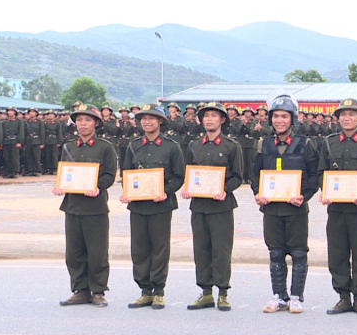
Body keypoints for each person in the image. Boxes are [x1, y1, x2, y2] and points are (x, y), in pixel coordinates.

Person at [251, 95, 320, 314]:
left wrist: (303, 196)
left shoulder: (305, 144)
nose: (280, 120)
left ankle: (296, 297)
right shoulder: (264, 144)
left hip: (296, 208)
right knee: (275, 253)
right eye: (276, 116)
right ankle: (279, 296)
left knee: (298, 253)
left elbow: (314, 175)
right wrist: (258, 193)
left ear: (292, 119)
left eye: (284, 116)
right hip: (271, 209)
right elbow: (255, 175)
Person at [317, 98, 357, 315]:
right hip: (336, 209)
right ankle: (343, 297)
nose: (347, 118)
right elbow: (320, 172)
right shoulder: (328, 142)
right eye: (343, 114)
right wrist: (324, 191)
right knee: (337, 254)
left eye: (352, 114)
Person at [120, 105, 186, 310]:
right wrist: (128, 191)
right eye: (143, 119)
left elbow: (179, 176)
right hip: (138, 206)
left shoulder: (171, 147)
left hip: (161, 206)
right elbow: (126, 174)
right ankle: (144, 291)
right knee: (139, 249)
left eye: (152, 118)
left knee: (159, 248)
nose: (147, 122)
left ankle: (158, 291)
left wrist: (165, 192)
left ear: (160, 122)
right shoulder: (133, 146)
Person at [181, 102, 243, 311]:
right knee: (201, 250)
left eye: (214, 116)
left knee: (221, 250)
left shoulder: (231, 146)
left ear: (222, 120)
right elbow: (188, 172)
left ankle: (223, 292)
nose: (209, 119)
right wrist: (187, 188)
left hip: (221, 206)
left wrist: (224, 189)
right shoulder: (193, 145)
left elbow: (237, 177)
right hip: (199, 206)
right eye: (206, 116)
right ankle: (206, 292)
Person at [54, 104, 118, 307]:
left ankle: (98, 291)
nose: (83, 124)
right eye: (79, 120)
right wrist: (60, 186)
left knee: (97, 252)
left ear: (96, 123)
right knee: (74, 253)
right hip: (72, 206)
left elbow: (109, 175)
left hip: (95, 207)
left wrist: (97, 186)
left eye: (87, 120)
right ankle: (80, 290)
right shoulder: (68, 147)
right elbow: (65, 173)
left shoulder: (105, 147)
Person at [23, 108, 44, 176]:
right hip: (28, 141)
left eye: (33, 112)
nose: (31, 114)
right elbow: (24, 133)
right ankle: (30, 170)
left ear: (36, 113)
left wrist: (42, 143)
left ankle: (37, 170)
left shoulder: (39, 122)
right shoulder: (26, 122)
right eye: (30, 112)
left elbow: (42, 133)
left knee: (36, 157)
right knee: (29, 157)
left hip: (36, 141)